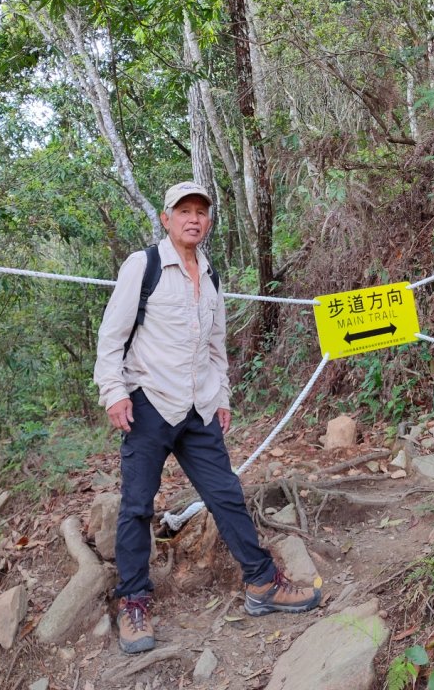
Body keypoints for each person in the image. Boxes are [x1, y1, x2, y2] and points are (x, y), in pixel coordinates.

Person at [94, 181, 321, 654]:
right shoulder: (145, 266)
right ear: (166, 219)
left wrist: (224, 397)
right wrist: (114, 392)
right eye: (184, 212)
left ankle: (261, 583)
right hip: (149, 402)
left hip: (199, 408)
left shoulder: (211, 274)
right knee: (137, 505)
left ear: (208, 221)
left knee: (227, 495)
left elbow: (216, 346)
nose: (193, 219)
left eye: (201, 212)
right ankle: (133, 601)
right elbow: (111, 336)